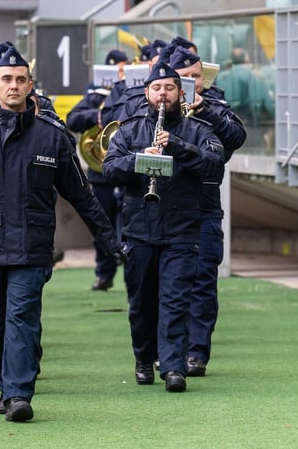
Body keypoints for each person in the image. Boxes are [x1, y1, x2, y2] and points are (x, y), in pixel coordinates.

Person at [0, 46, 125, 422]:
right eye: (6, 79)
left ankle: (19, 394)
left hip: (32, 245)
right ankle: (7, 387)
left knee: (22, 316)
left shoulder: (52, 136)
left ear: (31, 85)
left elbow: (81, 194)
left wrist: (109, 240)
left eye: (21, 80)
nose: (14, 86)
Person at [103, 62, 224, 393]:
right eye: (157, 88)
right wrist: (142, 158)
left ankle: (173, 367)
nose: (163, 94)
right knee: (142, 302)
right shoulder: (128, 131)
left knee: (175, 299)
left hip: (182, 229)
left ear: (179, 92)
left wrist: (178, 148)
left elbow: (214, 165)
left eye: (170, 88)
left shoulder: (198, 130)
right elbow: (109, 169)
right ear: (147, 93)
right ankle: (144, 358)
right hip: (140, 228)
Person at [170, 47, 246, 377]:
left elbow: (235, 138)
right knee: (167, 284)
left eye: (196, 77)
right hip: (164, 207)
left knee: (202, 280)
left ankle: (196, 352)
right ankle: (167, 350)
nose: (191, 83)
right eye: (183, 79)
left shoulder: (216, 108)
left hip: (203, 205)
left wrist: (205, 112)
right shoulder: (150, 106)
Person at [67, 49, 130, 291]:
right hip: (100, 169)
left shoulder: (133, 93)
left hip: (124, 169)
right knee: (101, 223)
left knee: (127, 225)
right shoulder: (96, 94)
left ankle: (129, 274)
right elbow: (73, 119)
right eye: (118, 70)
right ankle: (104, 274)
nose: (121, 75)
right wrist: (99, 115)